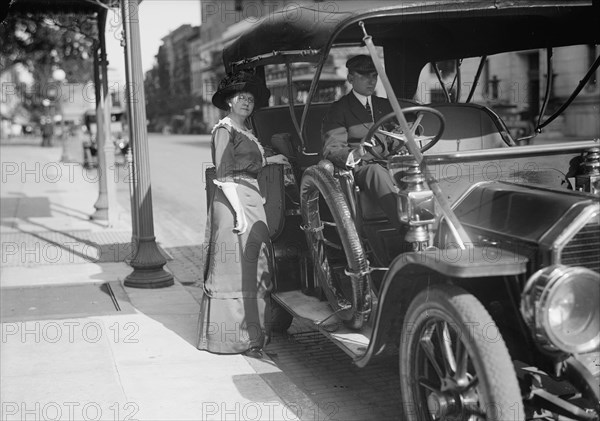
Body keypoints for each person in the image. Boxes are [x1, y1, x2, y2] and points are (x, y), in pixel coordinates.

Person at [197, 71, 289, 359]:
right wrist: (239, 213)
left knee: (255, 266)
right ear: (229, 102)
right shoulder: (223, 130)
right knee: (236, 269)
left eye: (250, 99)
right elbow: (223, 174)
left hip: (250, 196)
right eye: (241, 98)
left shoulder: (246, 131)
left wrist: (273, 159)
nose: (246, 103)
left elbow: (253, 161)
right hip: (233, 200)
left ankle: (254, 339)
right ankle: (235, 341)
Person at [322, 54, 402, 228]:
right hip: (363, 168)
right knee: (376, 172)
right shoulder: (339, 109)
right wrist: (356, 153)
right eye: (364, 76)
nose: (371, 81)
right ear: (351, 78)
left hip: (392, 163)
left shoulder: (385, 105)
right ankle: (406, 229)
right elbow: (332, 148)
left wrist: (404, 141)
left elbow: (396, 134)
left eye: (374, 76)